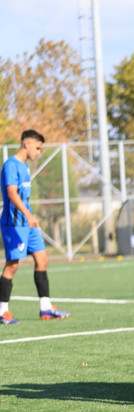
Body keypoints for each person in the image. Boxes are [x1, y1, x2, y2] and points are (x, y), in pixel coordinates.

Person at [0, 130, 69, 325]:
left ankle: (46, 308)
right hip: (14, 224)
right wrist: (28, 215)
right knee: (12, 265)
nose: (38, 152)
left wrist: (32, 217)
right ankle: (2, 311)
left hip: (28, 224)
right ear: (27, 144)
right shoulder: (10, 166)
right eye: (37, 148)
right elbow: (12, 194)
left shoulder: (25, 167)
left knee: (42, 259)